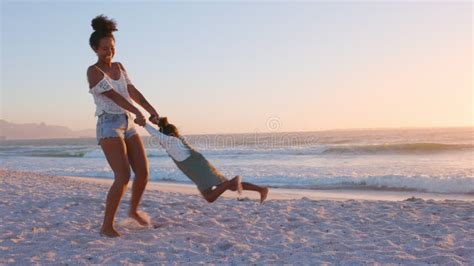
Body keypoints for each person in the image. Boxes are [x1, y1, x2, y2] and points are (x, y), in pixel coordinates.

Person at [86, 14, 159, 237]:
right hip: (108, 125)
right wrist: (137, 112)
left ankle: (134, 211)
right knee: (123, 176)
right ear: (95, 49)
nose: (109, 52)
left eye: (112, 47)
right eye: (104, 49)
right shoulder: (93, 71)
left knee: (144, 173)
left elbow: (131, 91)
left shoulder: (119, 66)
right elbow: (114, 97)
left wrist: (151, 110)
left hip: (127, 123)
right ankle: (106, 225)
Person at [145, 118, 269, 204]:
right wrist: (157, 122)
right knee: (230, 187)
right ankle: (261, 189)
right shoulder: (177, 140)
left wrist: (144, 124)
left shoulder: (173, 142)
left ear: (169, 136)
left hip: (200, 171)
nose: (160, 142)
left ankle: (234, 180)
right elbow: (164, 129)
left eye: (163, 139)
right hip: (201, 166)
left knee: (210, 197)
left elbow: (157, 135)